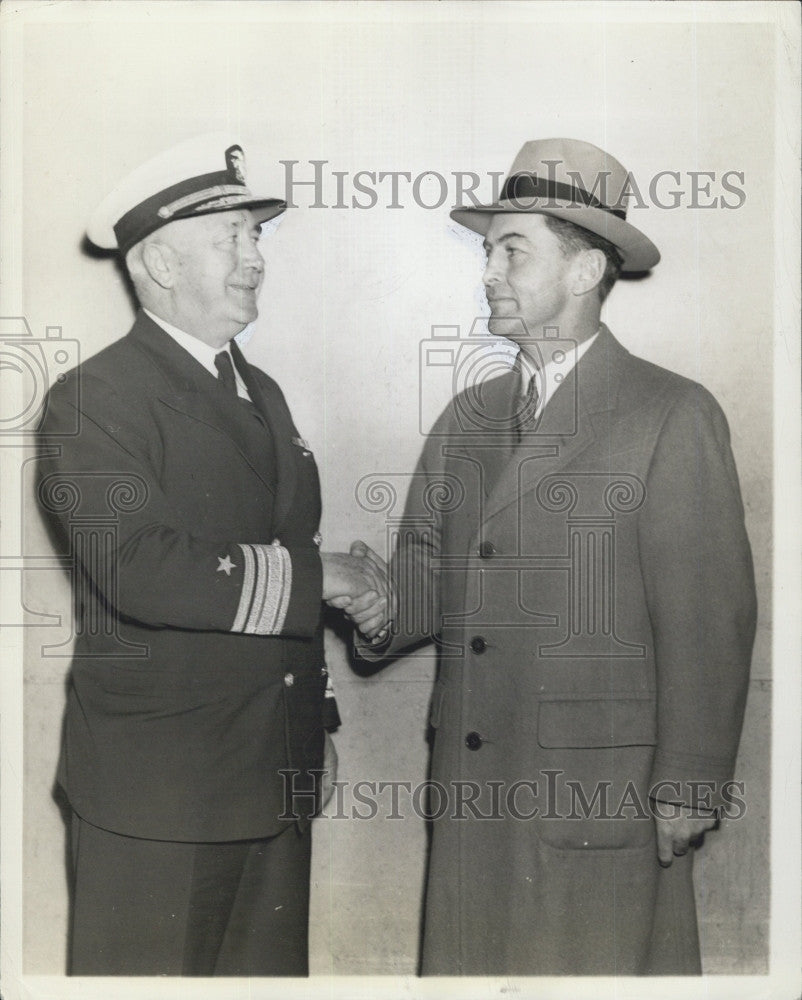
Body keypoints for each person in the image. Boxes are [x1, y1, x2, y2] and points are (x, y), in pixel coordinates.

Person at [354, 138, 757, 975]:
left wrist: (690, 780)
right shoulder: (467, 417)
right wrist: (378, 602)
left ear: (583, 272)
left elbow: (709, 615)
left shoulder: (670, 413)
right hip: (473, 781)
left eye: (513, 250)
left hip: (597, 789)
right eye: (487, 251)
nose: (489, 273)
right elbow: (429, 571)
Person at [36, 134, 389, 976]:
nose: (254, 259)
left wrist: (318, 724)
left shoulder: (261, 391)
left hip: (274, 777)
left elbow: (282, 544)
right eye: (229, 238)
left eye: (256, 237)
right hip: (158, 795)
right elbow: (142, 566)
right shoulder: (95, 400)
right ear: (158, 263)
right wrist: (323, 579)